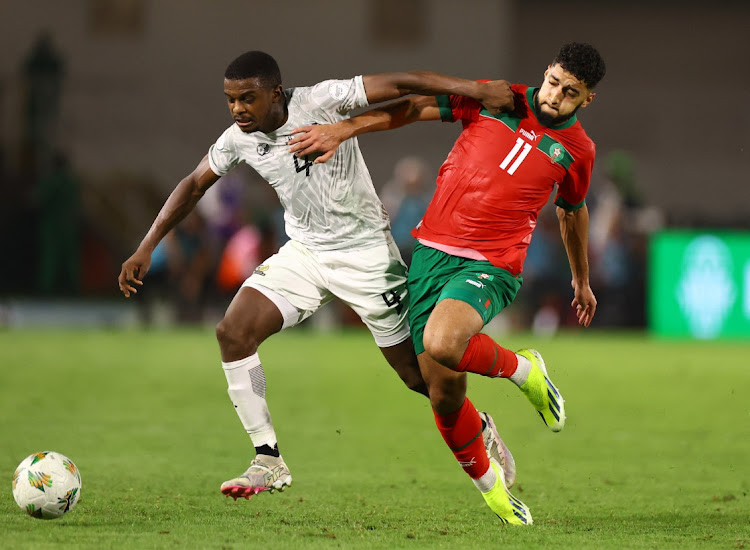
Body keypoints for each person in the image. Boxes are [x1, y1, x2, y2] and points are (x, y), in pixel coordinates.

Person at [117, 51, 520, 504]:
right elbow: (193, 184)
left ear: (275, 92)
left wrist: (475, 89)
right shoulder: (238, 140)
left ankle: (479, 427)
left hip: (367, 255)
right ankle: (268, 459)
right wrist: (146, 246)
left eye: (247, 98)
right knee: (233, 332)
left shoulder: (323, 100)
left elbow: (405, 81)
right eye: (230, 100)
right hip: (306, 254)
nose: (237, 109)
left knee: (421, 379)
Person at [288, 42, 606, 525]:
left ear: (586, 100)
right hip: (431, 254)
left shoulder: (578, 149)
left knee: (443, 342)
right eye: (555, 82)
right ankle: (490, 488)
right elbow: (414, 106)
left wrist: (581, 280)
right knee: (442, 392)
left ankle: (525, 372)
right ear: (546, 71)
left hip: (492, 263)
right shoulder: (498, 99)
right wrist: (345, 128)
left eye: (571, 92)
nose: (555, 95)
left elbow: (572, 210)